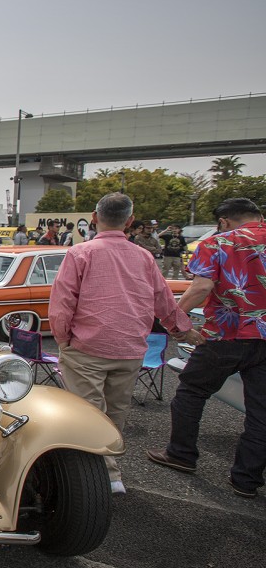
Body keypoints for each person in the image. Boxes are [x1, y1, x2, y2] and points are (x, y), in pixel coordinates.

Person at [49, 193, 193, 494]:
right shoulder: (143, 256)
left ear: (94, 217)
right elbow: (162, 299)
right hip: (130, 347)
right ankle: (112, 473)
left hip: (87, 347)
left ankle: (96, 478)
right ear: (130, 221)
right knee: (116, 411)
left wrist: (63, 340)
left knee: (87, 412)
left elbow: (62, 303)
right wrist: (182, 329)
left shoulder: (80, 253)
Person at [147, 198, 266, 499]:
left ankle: (182, 454)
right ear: (258, 216)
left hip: (226, 334)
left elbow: (201, 288)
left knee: (191, 391)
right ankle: (246, 479)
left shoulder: (217, 243)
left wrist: (172, 319)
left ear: (224, 221)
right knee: (261, 412)